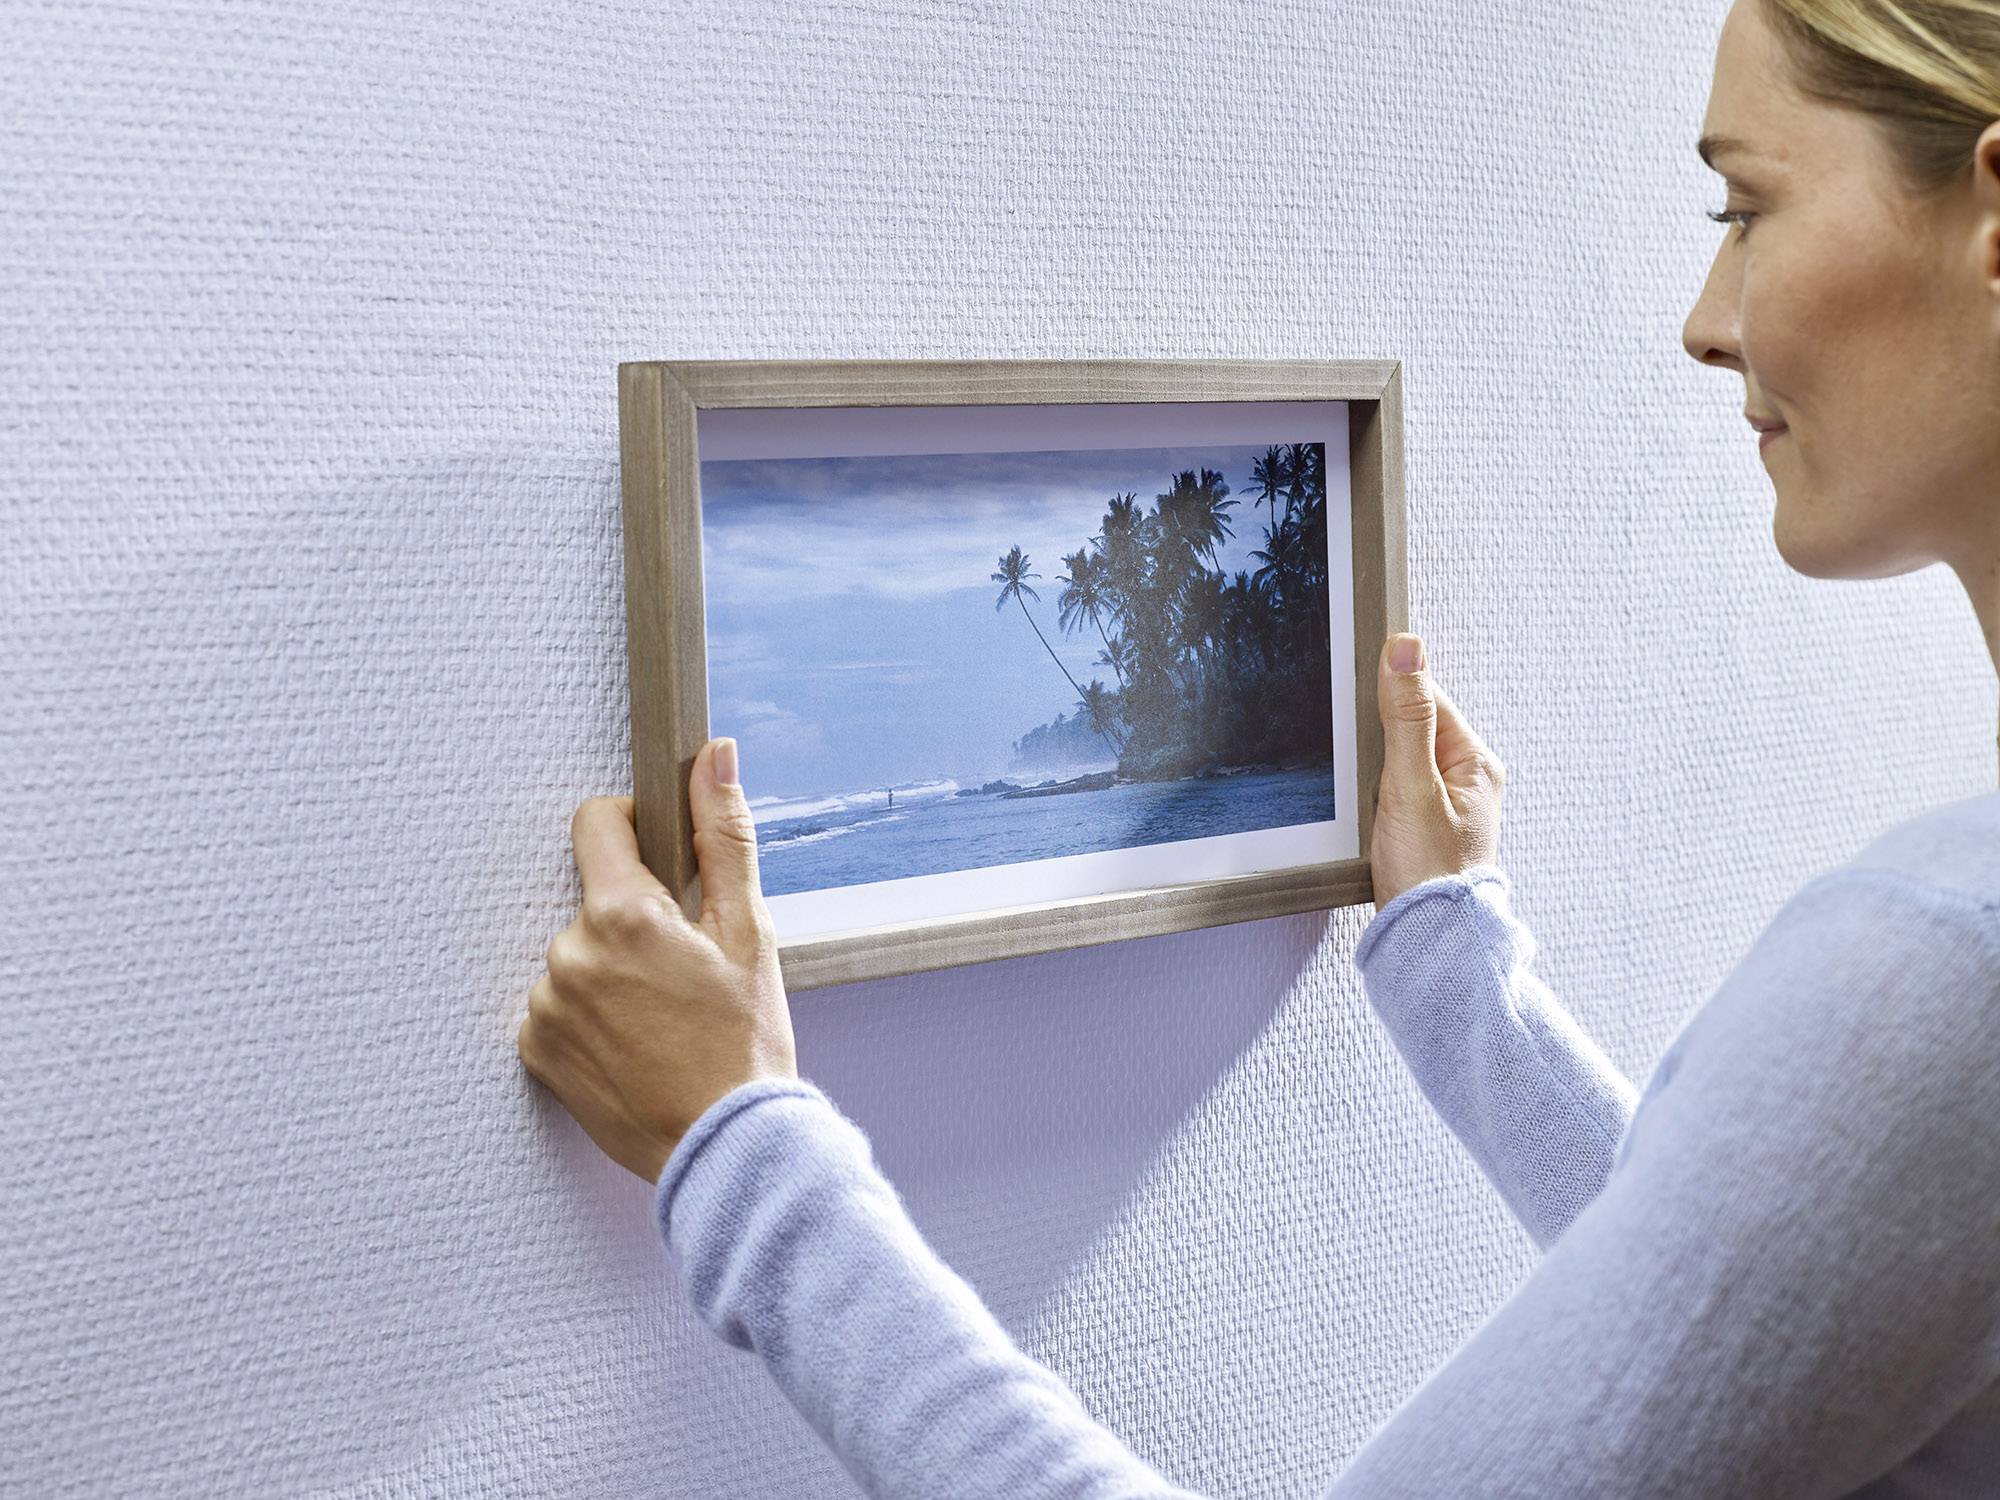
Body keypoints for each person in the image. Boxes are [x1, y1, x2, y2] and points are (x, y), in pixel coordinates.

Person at [515, 0, 2000, 1491]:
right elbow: (1763, 1318)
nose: (1704, 314)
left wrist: (740, 1153)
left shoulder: (1949, 959)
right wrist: (1445, 951)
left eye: (1747, 205)